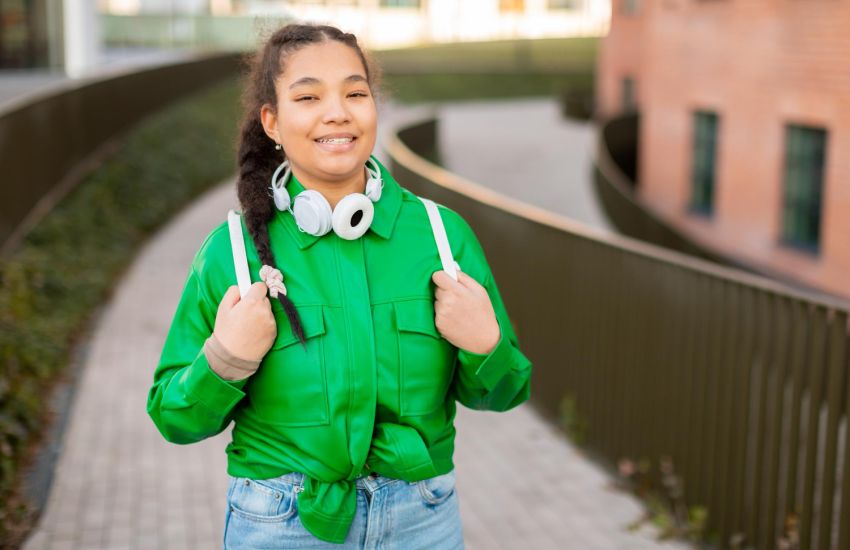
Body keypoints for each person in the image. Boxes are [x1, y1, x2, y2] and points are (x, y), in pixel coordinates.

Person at [147, 23, 532, 549]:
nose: (338, 112)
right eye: (308, 96)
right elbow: (175, 418)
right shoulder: (232, 253)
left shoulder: (442, 238)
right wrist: (225, 360)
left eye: (355, 92)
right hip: (281, 524)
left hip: (422, 520)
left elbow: (505, 394)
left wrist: (487, 345)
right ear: (273, 122)